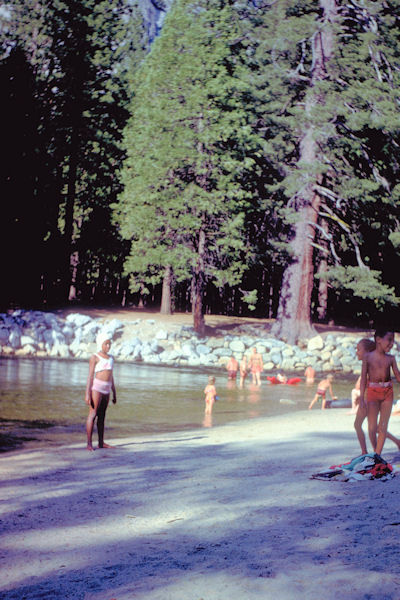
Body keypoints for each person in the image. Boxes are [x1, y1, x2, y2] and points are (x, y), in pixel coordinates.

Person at [353, 337, 400, 454]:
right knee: (374, 427)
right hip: (368, 397)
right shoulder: (369, 362)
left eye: (358, 349)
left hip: (370, 398)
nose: (356, 352)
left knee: (369, 427)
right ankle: (393, 443)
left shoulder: (372, 361)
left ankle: (371, 452)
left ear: (367, 352)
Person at [85, 332, 117, 451]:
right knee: (93, 414)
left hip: (107, 390)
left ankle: (101, 442)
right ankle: (89, 444)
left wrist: (114, 392)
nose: (108, 346)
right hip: (97, 389)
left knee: (102, 416)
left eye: (109, 344)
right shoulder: (95, 357)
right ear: (100, 344)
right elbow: (90, 376)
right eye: (106, 344)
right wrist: (87, 393)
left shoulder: (112, 358)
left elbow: (111, 376)